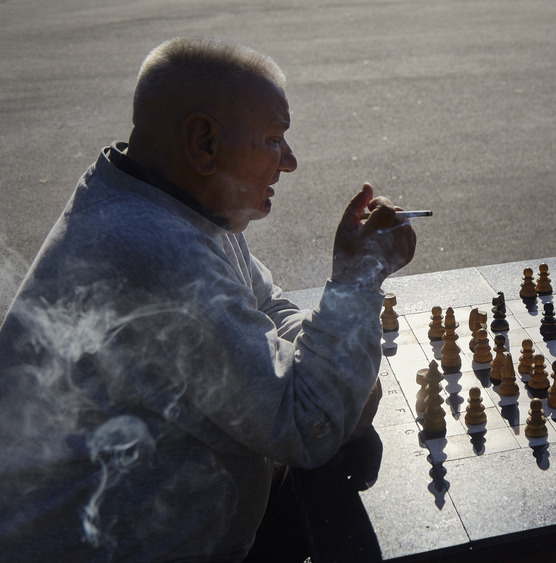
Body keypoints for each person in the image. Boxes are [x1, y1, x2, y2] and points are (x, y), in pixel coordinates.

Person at [0, 37, 416, 562]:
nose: (289, 162)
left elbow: (268, 306)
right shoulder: (153, 247)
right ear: (203, 141)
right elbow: (310, 426)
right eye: (273, 138)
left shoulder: (171, 196)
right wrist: (358, 279)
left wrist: (331, 383)